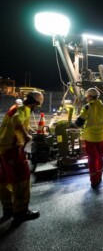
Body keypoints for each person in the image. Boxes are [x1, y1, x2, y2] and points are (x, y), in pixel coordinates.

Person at [0, 91, 44, 223]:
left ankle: (8, 207)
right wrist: (26, 136)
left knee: (5, 179)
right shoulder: (24, 109)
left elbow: (19, 122)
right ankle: (21, 211)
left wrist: (30, 130)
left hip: (3, 148)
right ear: (35, 103)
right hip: (13, 148)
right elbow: (17, 120)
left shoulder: (15, 107)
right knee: (22, 178)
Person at [73, 88, 103, 189]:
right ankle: (99, 177)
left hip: (90, 138)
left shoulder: (87, 107)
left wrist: (72, 125)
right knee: (100, 157)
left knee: (92, 159)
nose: (86, 99)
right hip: (102, 137)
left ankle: (93, 181)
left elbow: (79, 122)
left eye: (87, 97)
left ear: (90, 96)